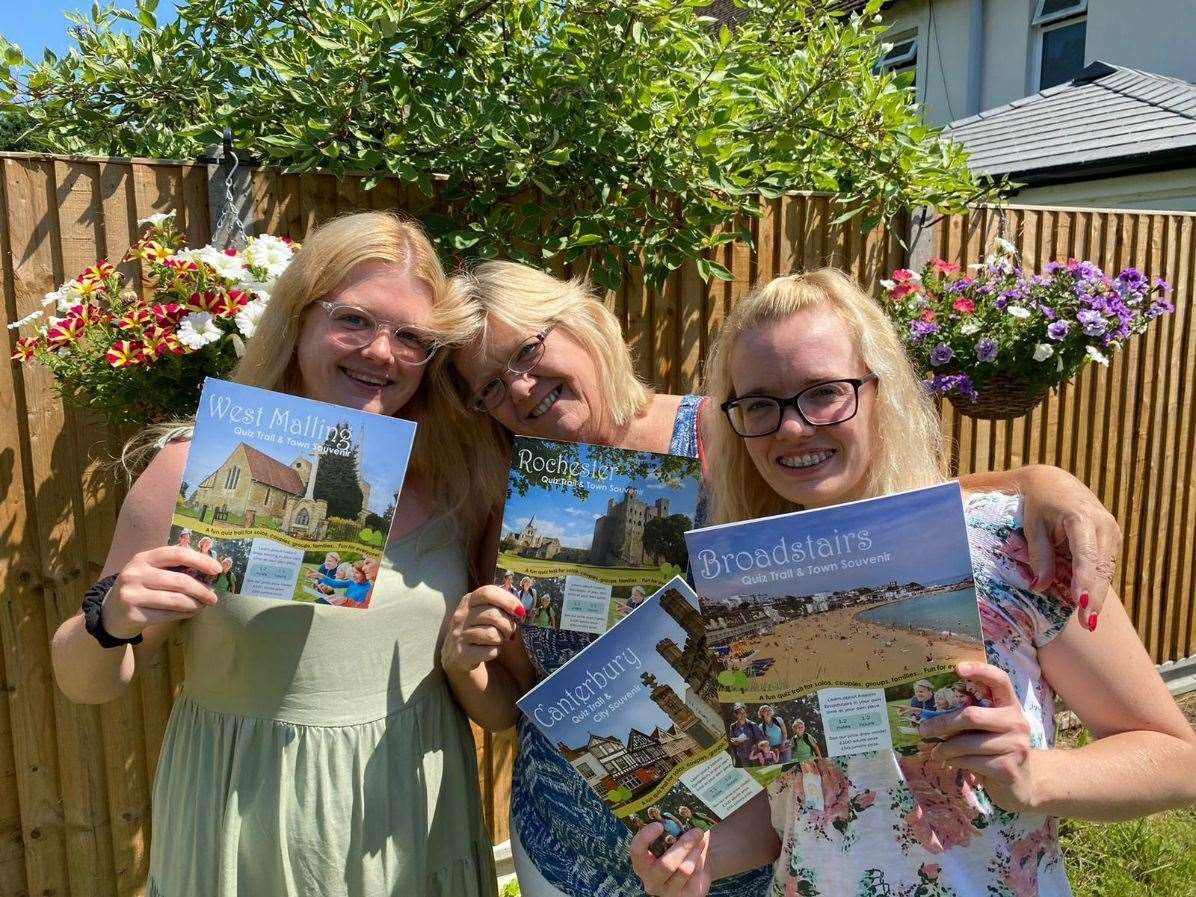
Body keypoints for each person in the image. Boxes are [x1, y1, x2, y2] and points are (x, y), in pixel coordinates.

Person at [436, 260, 1127, 897]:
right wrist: (468, 667)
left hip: (744, 848)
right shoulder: (507, 498)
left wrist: (1038, 481)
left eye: (527, 351)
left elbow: (879, 507)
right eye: (489, 385)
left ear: (583, 321)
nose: (518, 389)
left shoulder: (729, 427)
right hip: (569, 842)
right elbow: (521, 698)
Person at [630, 269, 1196, 897]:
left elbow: (1174, 758)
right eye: (760, 403)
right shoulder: (742, 586)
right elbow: (786, 820)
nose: (792, 427)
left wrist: (1033, 775)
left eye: (823, 393)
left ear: (881, 391)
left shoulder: (1013, 543)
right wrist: (694, 861)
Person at [49, 212, 502, 897]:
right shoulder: (188, 470)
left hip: (410, 814)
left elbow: (487, 694)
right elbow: (85, 682)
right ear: (297, 321)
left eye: (411, 336)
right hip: (251, 815)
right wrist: (112, 618)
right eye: (353, 319)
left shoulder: (451, 481)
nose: (382, 352)